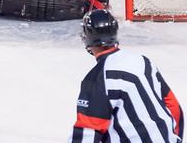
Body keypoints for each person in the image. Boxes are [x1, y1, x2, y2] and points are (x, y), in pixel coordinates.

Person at [69, 9, 184, 142]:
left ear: (87, 37)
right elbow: (174, 107)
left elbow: (88, 132)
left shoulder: (98, 78)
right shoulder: (143, 62)